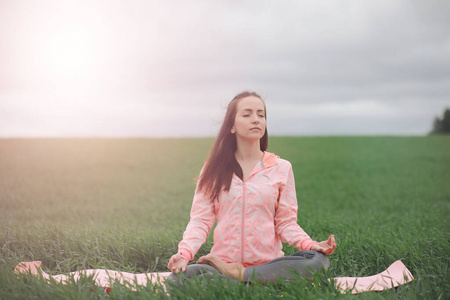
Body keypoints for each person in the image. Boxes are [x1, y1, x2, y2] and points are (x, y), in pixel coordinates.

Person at [167, 91, 337, 284]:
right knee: (176, 280)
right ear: (231, 126)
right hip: (223, 264)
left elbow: (286, 223)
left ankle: (242, 278)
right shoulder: (214, 169)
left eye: (261, 115)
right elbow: (200, 221)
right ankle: (251, 282)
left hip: (268, 265)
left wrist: (312, 245)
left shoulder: (281, 168)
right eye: (247, 114)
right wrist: (184, 254)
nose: (256, 120)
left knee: (317, 260)